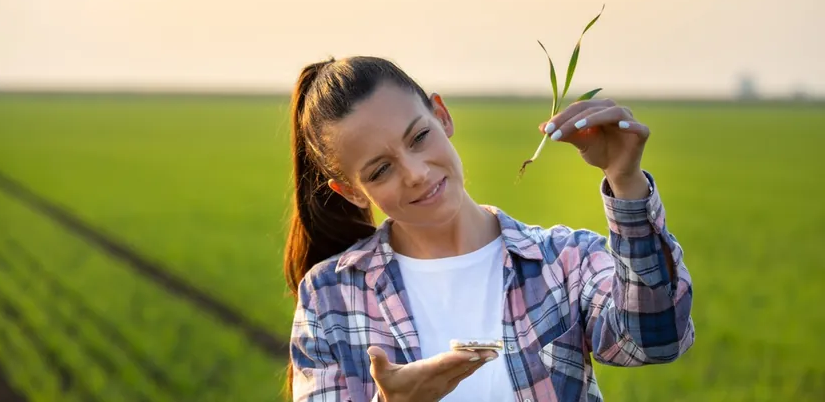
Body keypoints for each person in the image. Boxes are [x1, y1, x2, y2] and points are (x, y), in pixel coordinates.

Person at [284, 55, 695, 402]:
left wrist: (626, 182)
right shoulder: (329, 298)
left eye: (420, 136)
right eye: (380, 170)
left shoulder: (562, 262)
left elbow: (655, 339)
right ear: (352, 193)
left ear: (442, 116)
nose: (415, 172)